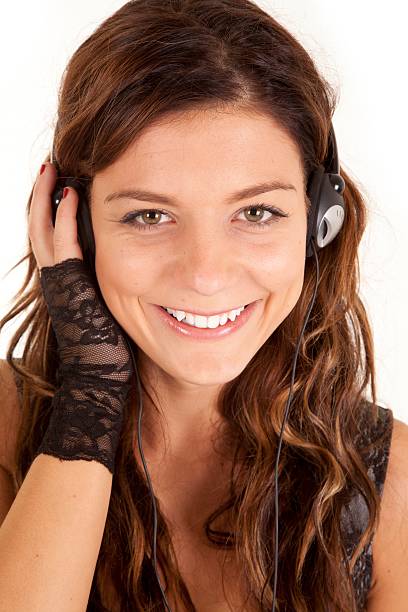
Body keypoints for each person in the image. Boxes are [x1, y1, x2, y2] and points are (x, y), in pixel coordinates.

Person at [0, 1, 407, 610]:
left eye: (257, 212)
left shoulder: (390, 483)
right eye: (150, 216)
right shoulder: (6, 430)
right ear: (73, 225)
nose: (206, 275)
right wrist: (92, 392)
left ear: (319, 221)